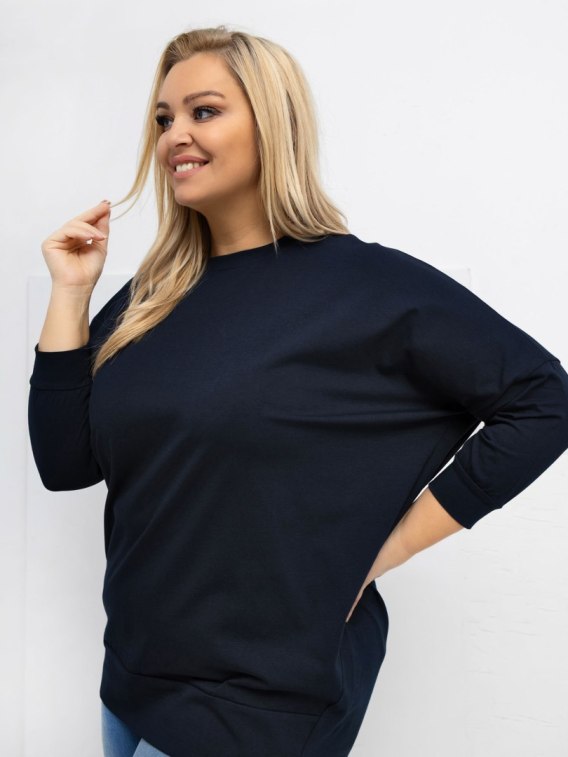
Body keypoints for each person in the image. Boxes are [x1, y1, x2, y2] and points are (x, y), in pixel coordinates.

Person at [27, 24, 568, 757]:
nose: (174, 135)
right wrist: (70, 293)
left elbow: (545, 400)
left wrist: (385, 551)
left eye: (203, 110)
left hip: (262, 697)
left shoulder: (369, 288)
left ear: (271, 122)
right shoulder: (154, 293)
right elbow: (65, 464)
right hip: (132, 676)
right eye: (163, 118)